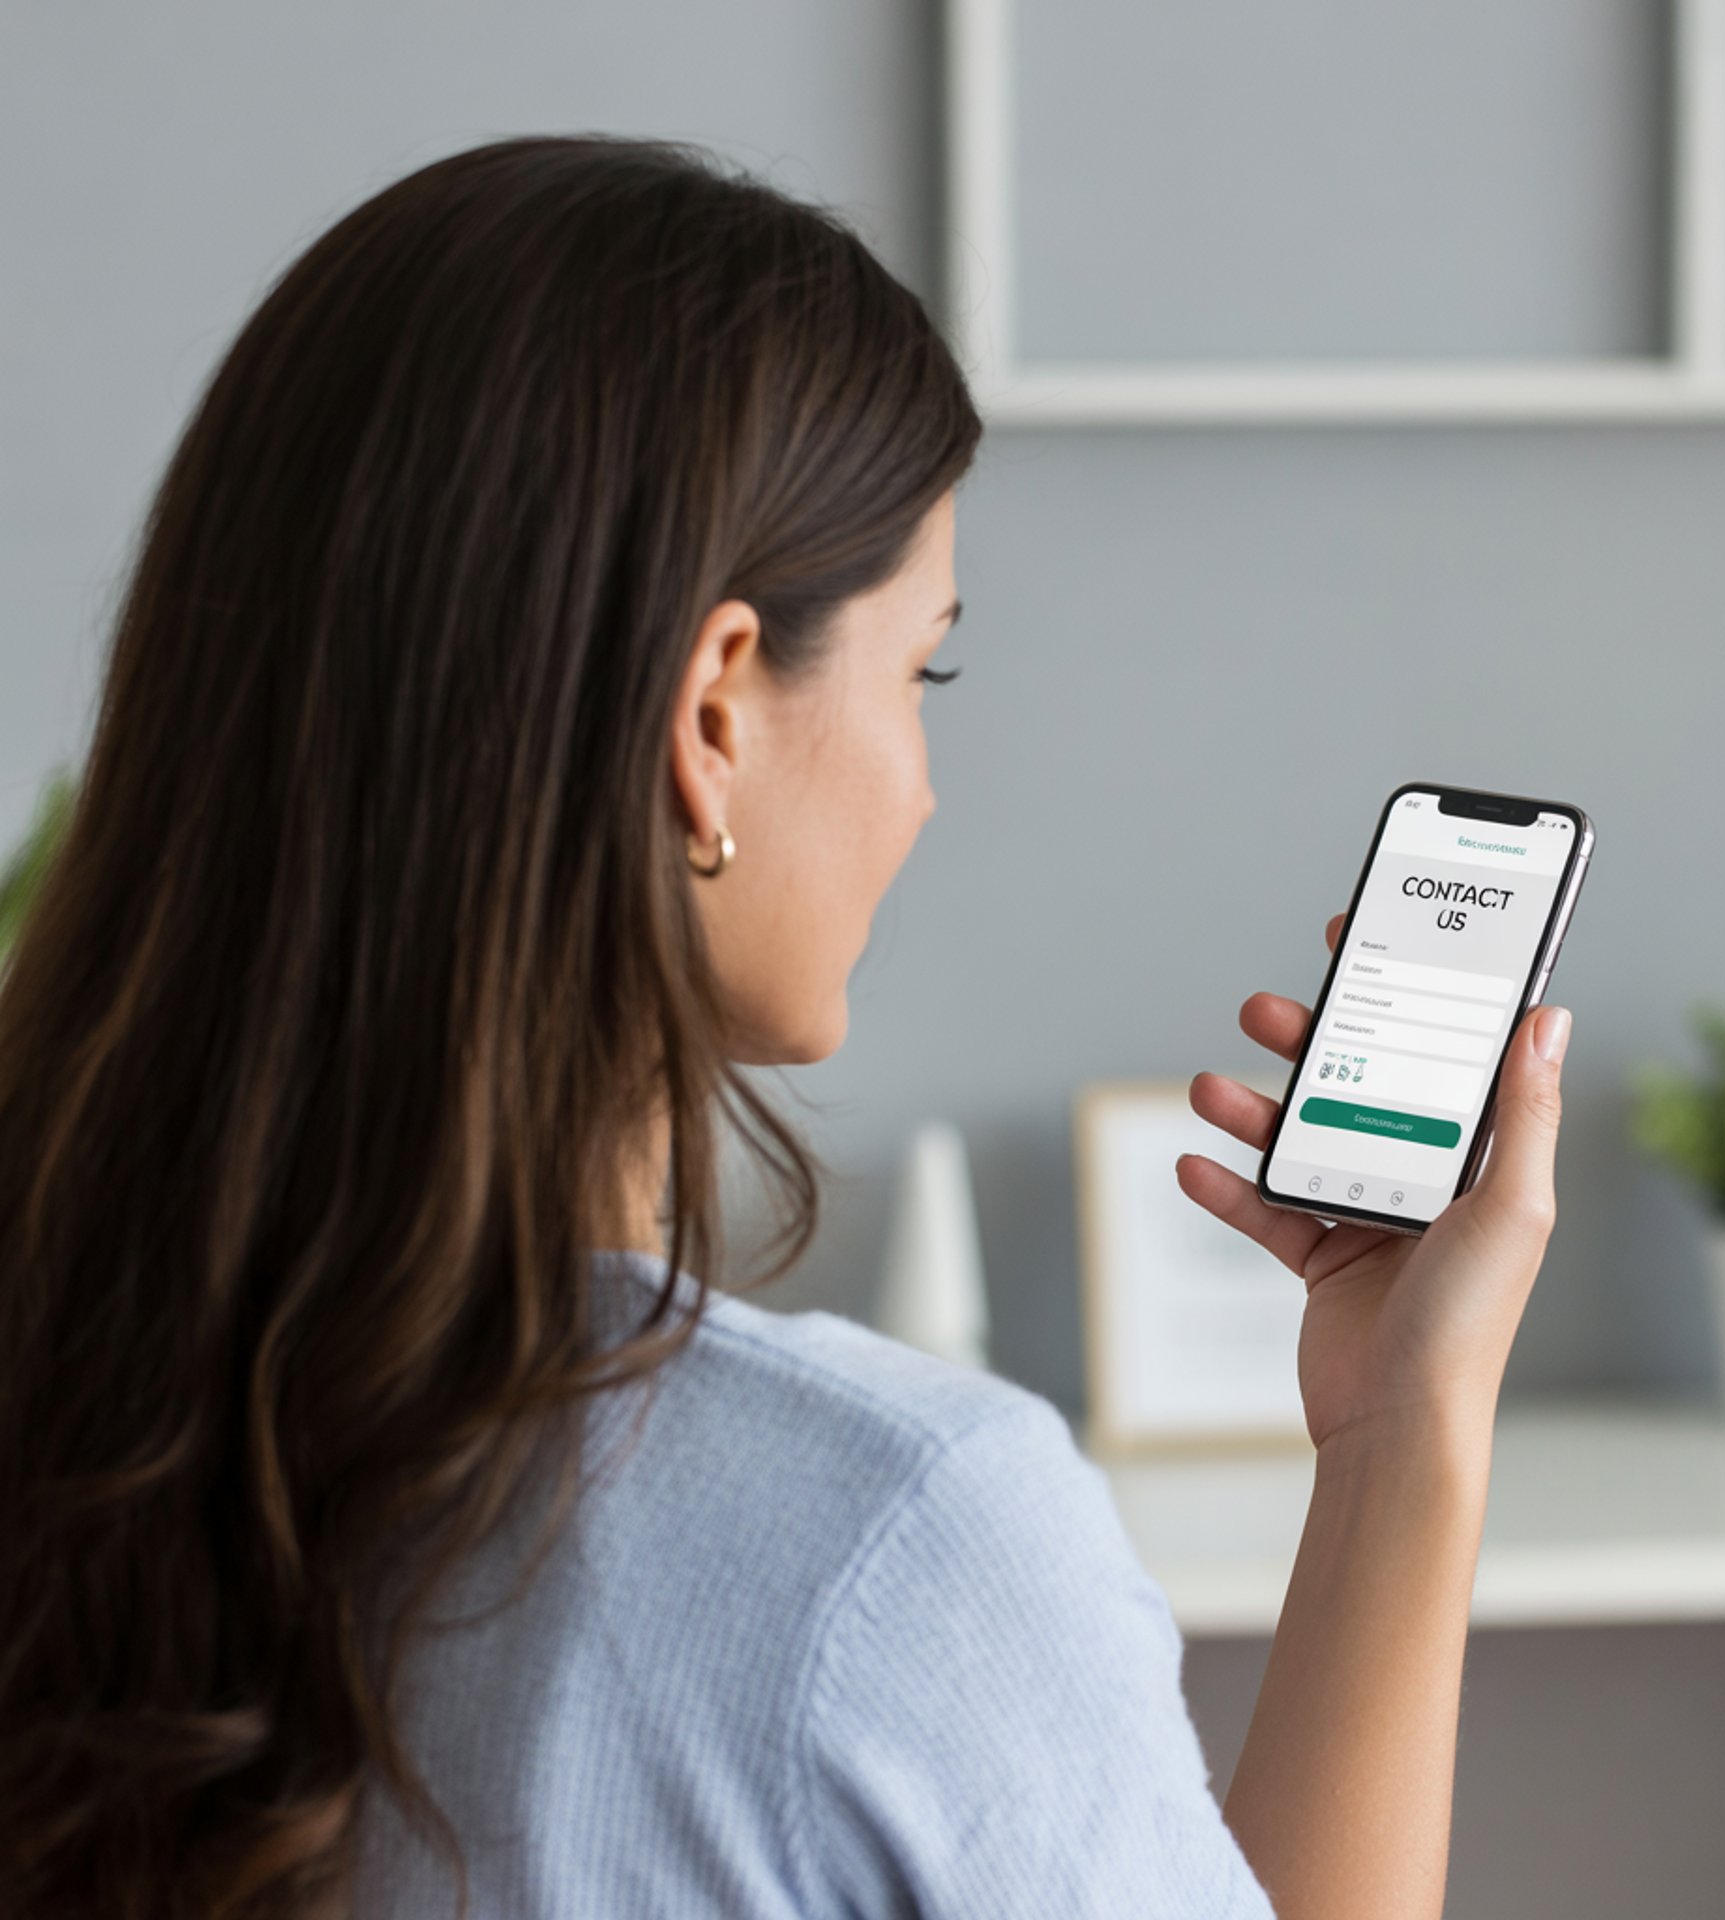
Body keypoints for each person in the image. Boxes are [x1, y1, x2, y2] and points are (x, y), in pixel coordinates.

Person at [0, 136, 1571, 1920]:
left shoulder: (85, 1424)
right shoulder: (888, 1542)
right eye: (924, 671)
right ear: (712, 718)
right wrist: (1415, 1436)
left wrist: (1387, 1429)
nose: (920, 787)